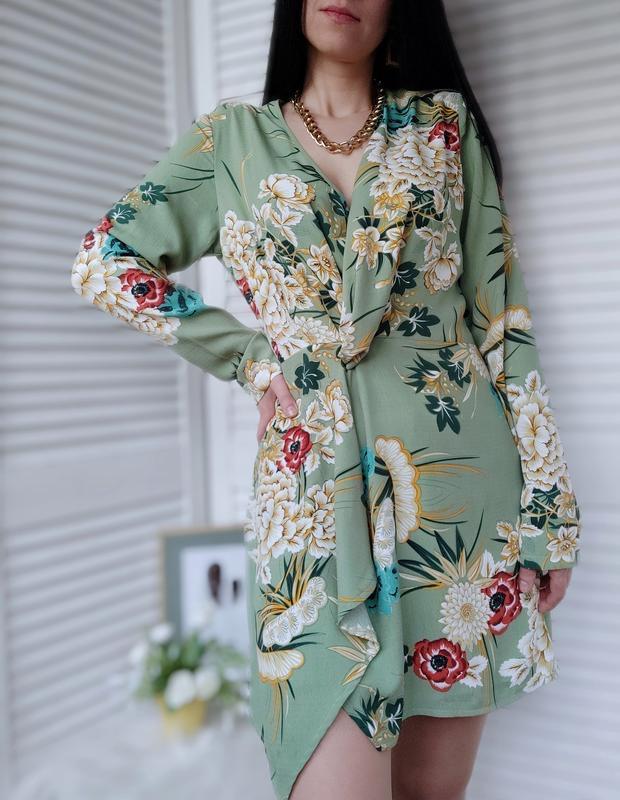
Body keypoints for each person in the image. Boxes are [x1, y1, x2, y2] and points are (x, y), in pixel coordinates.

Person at [70, 1, 582, 798]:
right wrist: (248, 359)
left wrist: (552, 511)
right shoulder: (229, 142)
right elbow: (106, 259)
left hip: (462, 511)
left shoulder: (443, 130)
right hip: (311, 505)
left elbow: (503, 323)